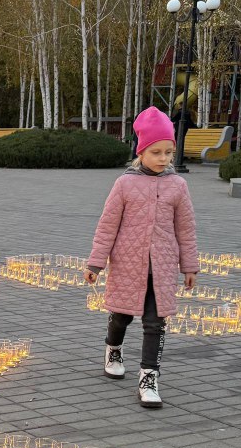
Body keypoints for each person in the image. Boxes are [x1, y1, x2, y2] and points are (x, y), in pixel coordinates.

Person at [85, 106, 199, 409]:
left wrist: (189, 265)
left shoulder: (178, 185)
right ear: (142, 152)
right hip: (127, 264)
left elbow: (185, 229)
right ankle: (113, 349)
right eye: (157, 152)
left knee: (155, 323)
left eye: (169, 153)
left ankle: (149, 378)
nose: (163, 159)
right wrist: (96, 262)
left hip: (160, 269)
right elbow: (107, 225)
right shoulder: (125, 183)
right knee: (121, 314)